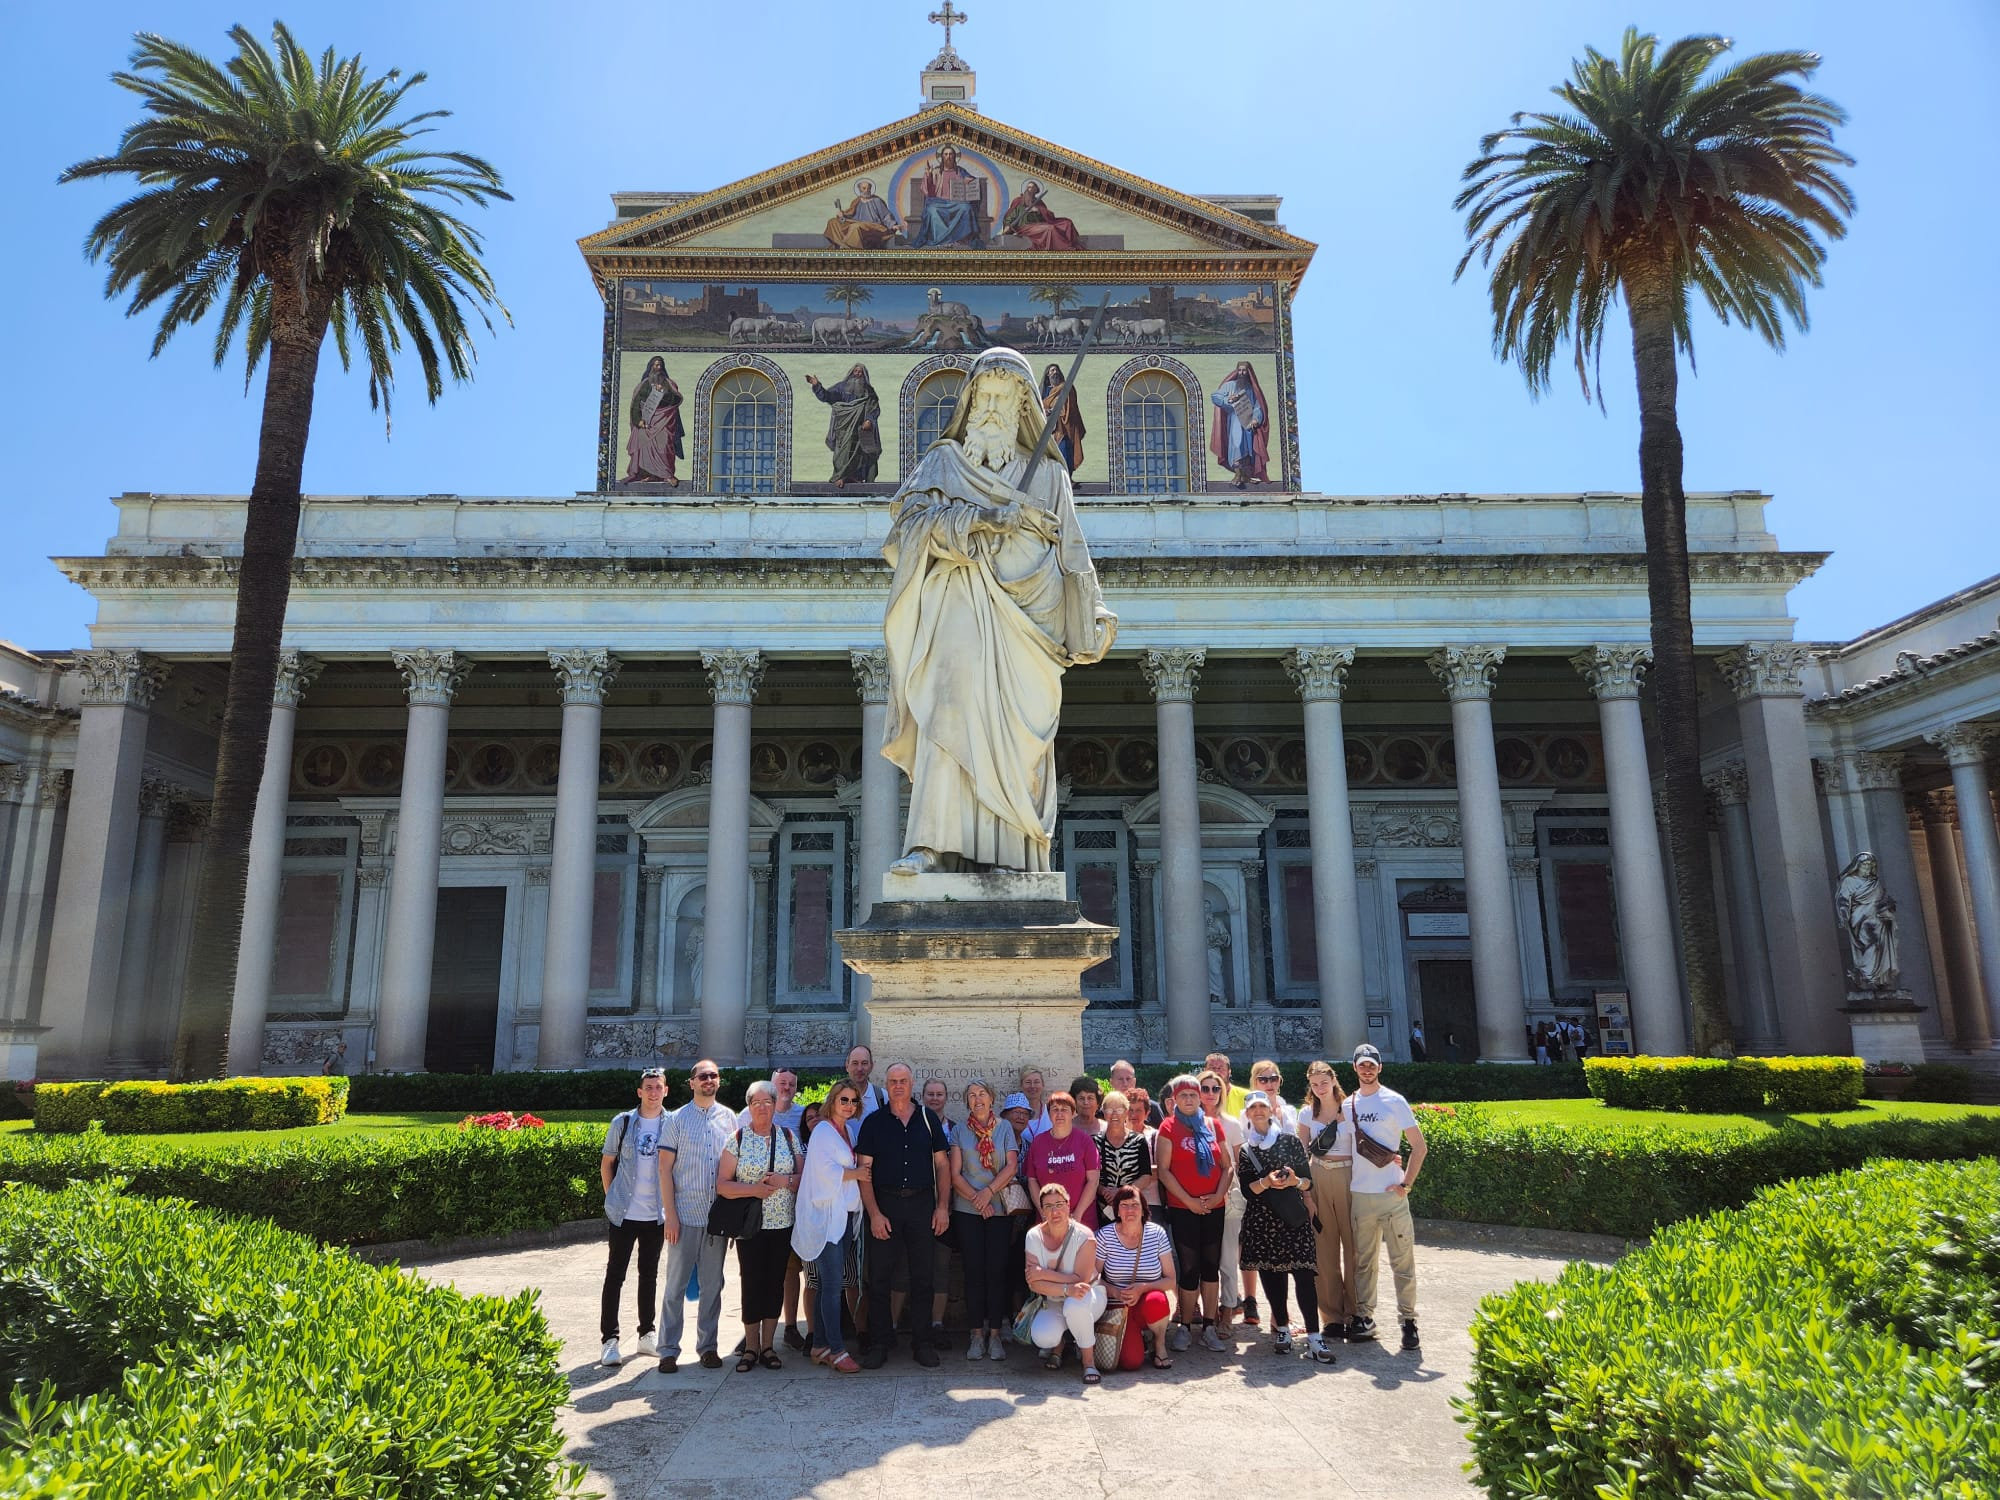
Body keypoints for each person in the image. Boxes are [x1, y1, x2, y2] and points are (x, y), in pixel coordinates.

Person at [881, 347, 1117, 876]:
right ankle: (929, 845)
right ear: (968, 404)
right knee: (946, 709)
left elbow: (1073, 551)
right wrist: (980, 519)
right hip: (957, 606)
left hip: (1030, 626)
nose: (990, 409)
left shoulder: (1049, 477)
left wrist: (1094, 613)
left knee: (1019, 741)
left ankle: (1016, 856)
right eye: (983, 398)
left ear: (1022, 409)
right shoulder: (942, 464)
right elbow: (905, 533)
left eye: (1001, 400)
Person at [855, 1064, 951, 1368]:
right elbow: (864, 1172)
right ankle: (880, 1342)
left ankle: (922, 1343)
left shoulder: (928, 1119)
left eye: (903, 1081)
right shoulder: (873, 1122)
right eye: (893, 1081)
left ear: (912, 1084)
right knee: (879, 1277)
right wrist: (874, 1213)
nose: (898, 1086)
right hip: (885, 1205)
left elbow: (943, 1166)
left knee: (923, 1276)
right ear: (887, 1084)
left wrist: (942, 1207)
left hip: (922, 1205)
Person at [1237, 1091, 1330, 1361]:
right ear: (1247, 1114)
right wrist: (1266, 1182)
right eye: (1253, 1108)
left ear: (1270, 1110)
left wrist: (1293, 1182)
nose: (1258, 1112)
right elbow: (1247, 1190)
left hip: (1292, 1219)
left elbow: (1307, 1181)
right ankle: (1283, 1329)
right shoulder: (1246, 1149)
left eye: (1262, 1107)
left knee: (1304, 1275)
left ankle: (1314, 1336)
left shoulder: (1290, 1141)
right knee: (1272, 1276)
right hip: (1262, 1220)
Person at [715, 1080, 802, 1371]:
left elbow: (803, 1178)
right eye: (756, 1103)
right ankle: (751, 1347)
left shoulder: (788, 1137)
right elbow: (723, 1185)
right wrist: (754, 1190)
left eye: (768, 1102)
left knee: (775, 1282)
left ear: (776, 1105)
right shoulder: (737, 1139)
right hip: (749, 1226)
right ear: (749, 1107)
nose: (762, 1107)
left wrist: (784, 1181)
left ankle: (768, 1346)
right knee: (751, 1282)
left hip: (782, 1223)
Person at [655, 1060, 735, 1373]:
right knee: (675, 1287)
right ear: (692, 1083)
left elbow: (734, 1169)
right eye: (703, 1076)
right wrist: (670, 1216)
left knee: (712, 1287)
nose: (708, 1080)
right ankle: (668, 1350)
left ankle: (708, 1347)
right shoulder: (676, 1120)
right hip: (684, 1216)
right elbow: (664, 1169)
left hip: (716, 1220)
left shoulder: (728, 1118)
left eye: (713, 1075)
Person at [1347, 1044, 1426, 1351]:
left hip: (1391, 1195)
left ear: (1379, 1068)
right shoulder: (1348, 1104)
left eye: (1372, 1065)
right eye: (1362, 1065)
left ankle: (1408, 1321)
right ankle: (1365, 1317)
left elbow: (1419, 1147)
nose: (1367, 1070)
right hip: (1360, 1193)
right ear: (1355, 1068)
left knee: (1402, 1261)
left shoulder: (1394, 1100)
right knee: (1364, 1263)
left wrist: (1406, 1183)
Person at [792, 1081, 867, 1373]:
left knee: (826, 1284)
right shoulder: (823, 1130)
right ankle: (837, 1350)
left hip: (844, 1215)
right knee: (833, 1285)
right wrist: (856, 1173)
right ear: (832, 1101)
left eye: (853, 1101)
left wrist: (855, 1173)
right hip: (826, 1217)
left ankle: (820, 1345)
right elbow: (824, 1171)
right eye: (843, 1099)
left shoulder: (849, 1131)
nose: (848, 1105)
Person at [598, 1067, 670, 1366]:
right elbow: (607, 1163)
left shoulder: (672, 1124)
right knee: (615, 1275)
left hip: (655, 1214)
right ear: (640, 1092)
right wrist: (612, 1199)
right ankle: (609, 1339)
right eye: (648, 1087)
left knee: (649, 1275)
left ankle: (646, 1334)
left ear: (666, 1091)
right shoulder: (623, 1122)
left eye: (658, 1087)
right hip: (624, 1213)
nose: (653, 1092)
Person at [1155, 1075, 1229, 1352]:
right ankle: (1185, 1326)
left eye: (1193, 1095)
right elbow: (1164, 1171)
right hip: (1183, 1207)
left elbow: (1227, 1166)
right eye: (1183, 1095)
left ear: (1200, 1098)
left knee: (1211, 1267)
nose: (1189, 1100)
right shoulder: (1168, 1127)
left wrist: (1218, 1195)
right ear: (1174, 1099)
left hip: (1214, 1207)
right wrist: (1189, 1201)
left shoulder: (1213, 1125)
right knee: (1189, 1268)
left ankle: (1209, 1326)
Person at [950, 1080, 1019, 1360]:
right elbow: (955, 1174)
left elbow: (1011, 1165)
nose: (977, 1099)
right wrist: (977, 1200)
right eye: (971, 1095)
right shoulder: (958, 1131)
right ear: (966, 1101)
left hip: (999, 1208)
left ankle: (995, 1335)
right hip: (968, 1210)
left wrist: (988, 1193)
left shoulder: (1004, 1128)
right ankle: (976, 1335)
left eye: (982, 1094)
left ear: (991, 1098)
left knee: (997, 1272)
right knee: (974, 1272)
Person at [1298, 1059, 1358, 1345]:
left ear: (1334, 1080)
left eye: (1324, 1082)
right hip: (1319, 1176)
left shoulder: (1352, 1109)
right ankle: (1332, 1317)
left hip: (1350, 1177)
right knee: (1324, 1250)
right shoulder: (1306, 1114)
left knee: (1355, 1248)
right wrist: (1306, 1195)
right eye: (1314, 1084)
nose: (1320, 1088)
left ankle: (1357, 1313)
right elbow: (1300, 1157)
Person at [1023, 1183, 1105, 1382]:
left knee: (1075, 1305)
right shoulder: (1033, 1236)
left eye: (1059, 1204)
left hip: (1089, 1295)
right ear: (1042, 1211)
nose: (1055, 1211)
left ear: (1068, 1205)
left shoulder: (1084, 1235)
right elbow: (1034, 1283)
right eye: (1048, 1206)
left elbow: (1082, 1282)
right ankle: (1060, 1343)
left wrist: (1044, 1273)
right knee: (1042, 1336)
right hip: (1055, 1299)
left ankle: (1088, 1363)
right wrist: (1067, 1287)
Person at [1095, 1186, 1178, 1371]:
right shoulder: (1105, 1235)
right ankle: (1138, 1340)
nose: (1130, 1210)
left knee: (1157, 1300)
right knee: (1131, 1362)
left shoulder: (1157, 1233)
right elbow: (1092, 1277)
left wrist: (1142, 1288)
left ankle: (1159, 1344)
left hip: (1146, 1301)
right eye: (1124, 1205)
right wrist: (1115, 1291)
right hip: (1118, 1306)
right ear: (1117, 1210)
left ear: (1143, 1209)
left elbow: (1170, 1280)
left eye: (1135, 1205)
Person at [1200, 1067, 1253, 1334]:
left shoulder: (1231, 1124)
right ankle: (1206, 1313)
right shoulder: (1188, 1122)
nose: (1210, 1093)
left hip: (1229, 1196)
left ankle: (1228, 1311)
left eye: (1216, 1088)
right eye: (1205, 1088)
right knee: (1203, 1259)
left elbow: (1239, 1163)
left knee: (1228, 1258)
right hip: (1198, 1198)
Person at [1025, 1091, 1102, 1228]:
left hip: (1082, 1221)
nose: (1059, 1114)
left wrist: (1077, 1215)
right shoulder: (1038, 1143)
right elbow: (1032, 1181)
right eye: (1055, 1109)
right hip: (1048, 1222)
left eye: (1064, 1109)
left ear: (1073, 1113)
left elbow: (1093, 1181)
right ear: (1049, 1114)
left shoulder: (1085, 1141)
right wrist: (1044, 1213)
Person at [805, 364, 882, 488]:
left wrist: (869, 419)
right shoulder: (841, 387)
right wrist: (817, 385)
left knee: (865, 453)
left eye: (860, 372)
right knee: (843, 453)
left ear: (864, 374)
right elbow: (827, 396)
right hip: (844, 427)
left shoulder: (868, 390)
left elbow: (874, 406)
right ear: (851, 373)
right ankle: (840, 476)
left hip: (861, 428)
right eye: (855, 371)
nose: (858, 374)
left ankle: (856, 477)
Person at [903, 145, 983, 249]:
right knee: (931, 210)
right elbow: (928, 191)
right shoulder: (936, 171)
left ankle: (960, 239)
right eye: (946, 154)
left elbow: (972, 181)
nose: (948, 157)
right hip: (939, 202)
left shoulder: (960, 171)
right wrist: (928, 176)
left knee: (966, 207)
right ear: (942, 157)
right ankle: (940, 240)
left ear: (954, 156)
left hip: (956, 203)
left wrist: (969, 180)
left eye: (951, 154)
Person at [1095, 1089, 1155, 1226]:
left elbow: (1146, 1176)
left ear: (1126, 1112)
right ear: (1103, 1112)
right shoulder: (1095, 1142)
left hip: (1131, 1205)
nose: (1114, 1114)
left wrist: (1122, 1192)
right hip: (1103, 1209)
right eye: (1109, 1110)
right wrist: (1104, 1191)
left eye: (1119, 1110)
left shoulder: (1138, 1141)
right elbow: (1090, 1176)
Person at [623, 355, 683, 486]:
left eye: (660, 365)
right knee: (643, 444)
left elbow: (676, 399)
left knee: (664, 445)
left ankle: (666, 475)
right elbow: (636, 403)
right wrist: (638, 420)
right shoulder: (644, 385)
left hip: (664, 420)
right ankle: (646, 474)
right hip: (646, 421)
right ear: (651, 367)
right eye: (655, 365)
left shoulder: (669, 384)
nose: (658, 367)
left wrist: (664, 393)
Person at [1209, 360, 1269, 487]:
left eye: (1244, 370)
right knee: (1236, 445)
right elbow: (1215, 396)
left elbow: (1258, 406)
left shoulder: (1251, 389)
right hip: (1235, 421)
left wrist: (1256, 419)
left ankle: (1245, 476)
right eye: (1240, 370)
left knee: (1248, 449)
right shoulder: (1230, 385)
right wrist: (1228, 399)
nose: (1241, 373)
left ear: (1248, 372)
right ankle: (1237, 474)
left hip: (1248, 423)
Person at [823, 177, 904, 249]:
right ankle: (840, 244)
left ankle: (848, 246)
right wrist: (842, 214)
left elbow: (886, 215)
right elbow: (850, 214)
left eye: (868, 188)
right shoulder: (856, 201)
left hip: (873, 226)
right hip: (857, 223)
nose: (866, 190)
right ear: (859, 189)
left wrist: (893, 225)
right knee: (833, 222)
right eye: (864, 188)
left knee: (855, 227)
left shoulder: (877, 201)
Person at [1002, 180, 1082, 251]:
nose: (1029, 189)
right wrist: (1008, 225)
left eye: (1032, 188)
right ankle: (1065, 248)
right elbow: (1010, 216)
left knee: (1067, 223)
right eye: (1028, 187)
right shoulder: (1019, 201)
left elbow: (1048, 216)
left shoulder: (1039, 202)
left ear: (1036, 190)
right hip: (1025, 227)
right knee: (1050, 228)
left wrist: (1038, 210)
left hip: (1040, 225)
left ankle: (1072, 244)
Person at [1039, 362, 1086, 473]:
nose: (1055, 372)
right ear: (1047, 374)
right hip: (1049, 428)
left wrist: (1057, 410)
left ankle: (1067, 477)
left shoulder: (1066, 388)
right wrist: (1045, 411)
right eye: (1052, 370)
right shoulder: (1044, 391)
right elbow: (1039, 406)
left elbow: (1071, 405)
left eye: (1056, 370)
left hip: (1064, 427)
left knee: (1065, 451)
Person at [1246, 1061, 1298, 1133]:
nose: (1269, 1084)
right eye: (1263, 1080)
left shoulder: (1290, 1111)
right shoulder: (1249, 1113)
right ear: (1255, 1083)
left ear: (1279, 1081)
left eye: (1273, 1079)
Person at [1109, 1059, 1164, 1126]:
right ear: (1111, 1082)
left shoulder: (1152, 1108)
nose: (1125, 1083)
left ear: (1134, 1081)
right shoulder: (1106, 1109)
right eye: (1120, 1079)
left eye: (1128, 1079)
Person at [844, 1045, 887, 1118]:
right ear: (847, 1066)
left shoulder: (883, 1097)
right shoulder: (835, 1097)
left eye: (864, 1063)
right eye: (855, 1063)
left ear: (871, 1066)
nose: (859, 1069)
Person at [1017, 1068, 1050, 1143]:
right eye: (1028, 1082)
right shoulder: (1015, 1115)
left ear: (1043, 1085)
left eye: (1036, 1082)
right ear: (1021, 1086)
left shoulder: (1050, 1111)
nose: (1032, 1086)